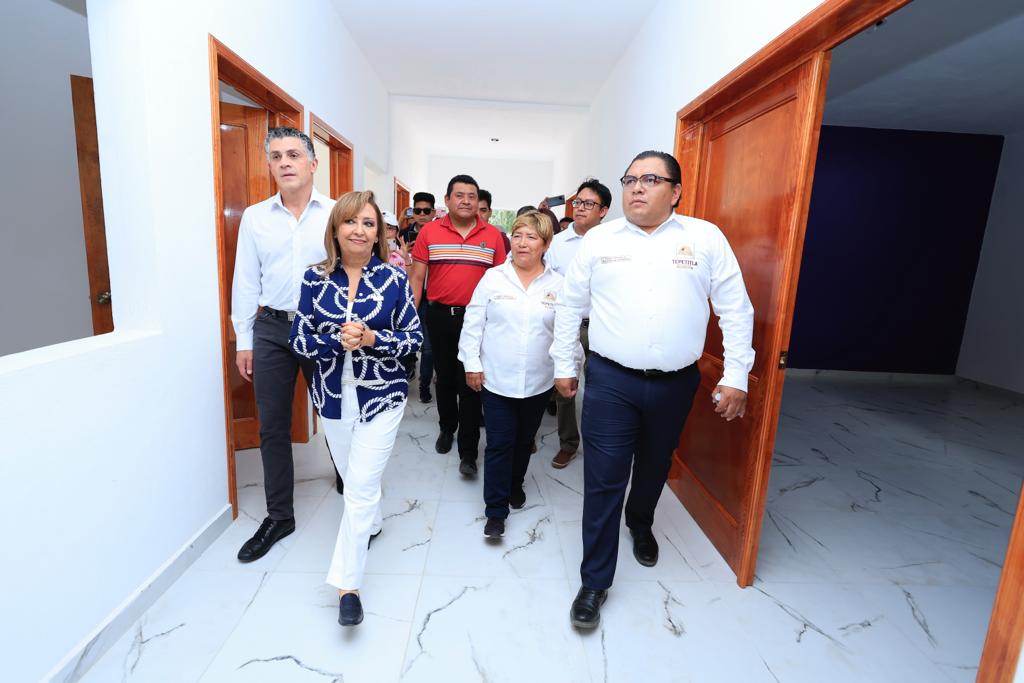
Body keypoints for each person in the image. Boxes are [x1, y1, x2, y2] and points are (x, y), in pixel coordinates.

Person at [551, 151, 754, 629]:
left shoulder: (704, 238)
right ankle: (595, 580)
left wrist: (736, 374)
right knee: (604, 477)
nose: (637, 188)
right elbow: (569, 306)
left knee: (656, 463)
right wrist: (564, 363)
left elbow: (735, 308)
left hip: (675, 383)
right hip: (611, 380)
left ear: (676, 191)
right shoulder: (599, 240)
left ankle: (640, 521)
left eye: (650, 179)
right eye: (630, 180)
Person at [290, 190, 422, 627]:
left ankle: (348, 587)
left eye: (368, 223)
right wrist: (335, 340)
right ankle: (373, 521)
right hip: (331, 397)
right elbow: (299, 340)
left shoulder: (394, 279)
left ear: (378, 233)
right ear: (335, 228)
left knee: (360, 486)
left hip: (382, 396)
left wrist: (371, 339)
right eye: (350, 221)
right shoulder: (313, 279)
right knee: (353, 476)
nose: (359, 230)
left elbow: (413, 339)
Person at [231, 126, 341, 564]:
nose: (285, 162)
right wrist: (244, 340)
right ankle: (280, 516)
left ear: (313, 163)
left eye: (294, 154)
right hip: (272, 329)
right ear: (270, 166)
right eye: (276, 156)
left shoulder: (336, 214)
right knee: (272, 426)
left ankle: (354, 490)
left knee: (338, 415)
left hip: (324, 329)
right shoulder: (255, 217)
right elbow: (245, 280)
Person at [458, 211, 574, 538]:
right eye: (518, 235)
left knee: (524, 440)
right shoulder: (493, 278)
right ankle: (495, 511)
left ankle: (515, 483)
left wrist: (568, 370)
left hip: (538, 381)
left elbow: (565, 334)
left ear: (545, 244)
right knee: (499, 443)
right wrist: (472, 364)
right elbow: (473, 323)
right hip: (496, 378)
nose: (522, 243)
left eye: (531, 237)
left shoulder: (558, 285)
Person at [410, 175, 507, 476]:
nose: (466, 200)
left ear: (479, 201)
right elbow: (417, 277)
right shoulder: (430, 232)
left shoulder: (493, 236)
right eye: (460, 195)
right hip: (439, 316)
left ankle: (468, 451)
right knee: (445, 378)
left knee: (471, 381)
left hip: (478, 320)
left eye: (472, 196)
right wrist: (410, 318)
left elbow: (501, 282)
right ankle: (446, 427)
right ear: (447, 200)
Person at [545, 178, 611, 469]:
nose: (581, 208)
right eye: (578, 202)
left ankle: (600, 446)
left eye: (589, 204)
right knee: (564, 386)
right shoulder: (557, 244)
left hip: (601, 327)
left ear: (603, 211)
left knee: (600, 391)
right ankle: (568, 444)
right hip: (566, 325)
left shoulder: (612, 243)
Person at [404, 191, 436, 403]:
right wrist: (404, 254)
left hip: (431, 295)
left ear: (433, 212)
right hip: (406, 295)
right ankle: (408, 369)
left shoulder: (439, 235)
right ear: (412, 212)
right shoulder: (402, 234)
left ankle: (424, 385)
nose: (422, 215)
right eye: (418, 210)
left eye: (426, 211)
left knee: (428, 347)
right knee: (407, 339)